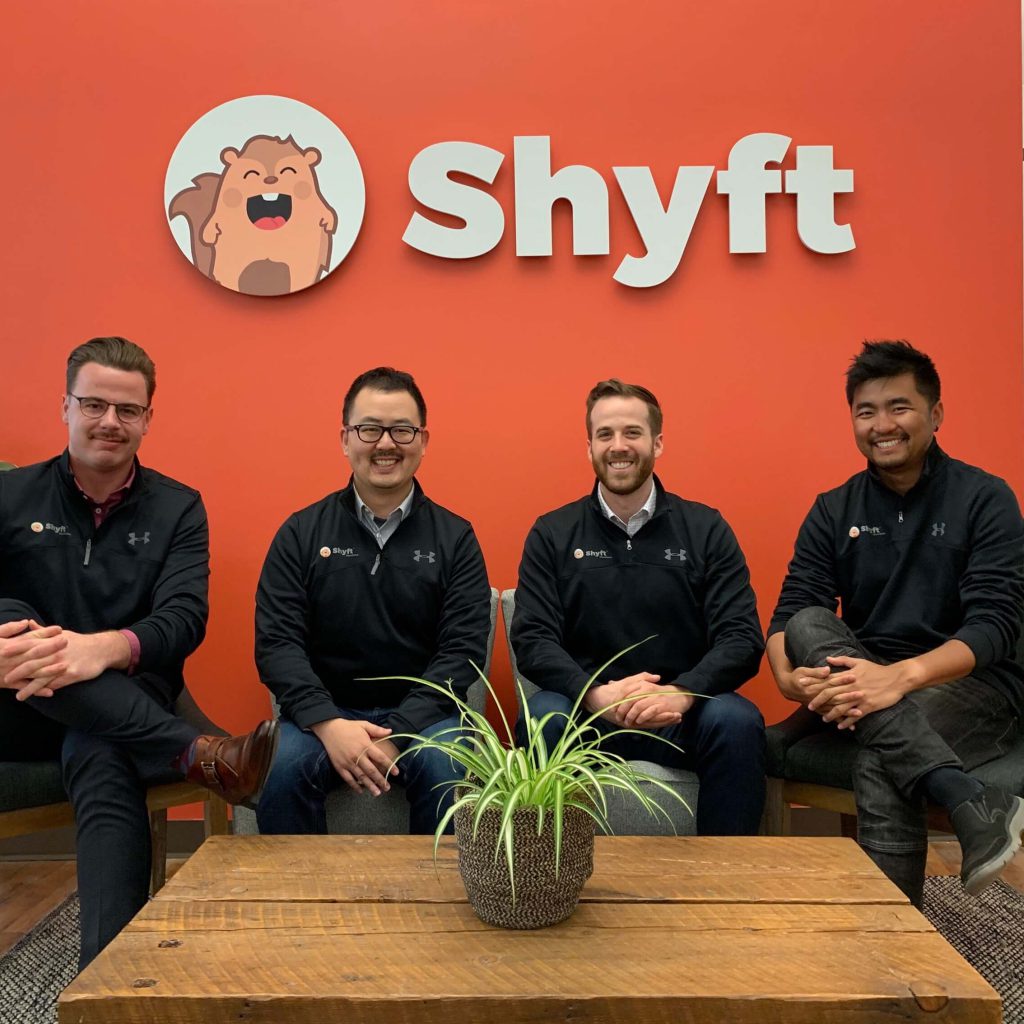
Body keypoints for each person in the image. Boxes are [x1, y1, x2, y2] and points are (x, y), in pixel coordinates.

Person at [0, 336, 278, 968]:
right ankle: (196, 753)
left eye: (127, 409)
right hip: (18, 705)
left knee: (101, 751)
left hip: (128, 699)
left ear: (148, 419)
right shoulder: (10, 497)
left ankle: (106, 978)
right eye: (93, 404)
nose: (110, 421)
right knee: (9, 614)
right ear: (65, 407)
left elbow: (183, 621)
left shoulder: (178, 508)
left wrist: (102, 649)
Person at [767, 340, 1024, 905]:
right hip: (866, 678)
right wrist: (788, 679)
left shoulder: (985, 498)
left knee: (881, 760)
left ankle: (891, 932)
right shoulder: (834, 508)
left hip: (971, 685)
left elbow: (996, 626)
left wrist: (898, 678)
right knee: (808, 622)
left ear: (936, 413)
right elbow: (792, 611)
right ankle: (967, 797)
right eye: (867, 411)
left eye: (899, 407)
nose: (882, 425)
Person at [510, 378, 766, 835]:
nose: (618, 446)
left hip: (680, 716)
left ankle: (726, 873)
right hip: (588, 716)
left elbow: (742, 637)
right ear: (589, 446)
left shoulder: (706, 529)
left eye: (632, 432)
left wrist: (681, 693)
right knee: (542, 713)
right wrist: (595, 695)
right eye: (605, 434)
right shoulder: (552, 533)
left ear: (657, 443)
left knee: (737, 719)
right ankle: (546, 870)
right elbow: (532, 639)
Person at [254, 366, 490, 835]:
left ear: (423, 440)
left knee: (447, 770)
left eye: (402, 430)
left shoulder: (456, 538)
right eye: (369, 429)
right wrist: (329, 724)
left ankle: (432, 887)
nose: (386, 443)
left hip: (426, 720)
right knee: (280, 771)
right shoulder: (300, 533)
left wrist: (396, 734)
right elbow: (277, 645)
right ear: (345, 439)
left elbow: (461, 652)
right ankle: (299, 888)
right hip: (322, 719)